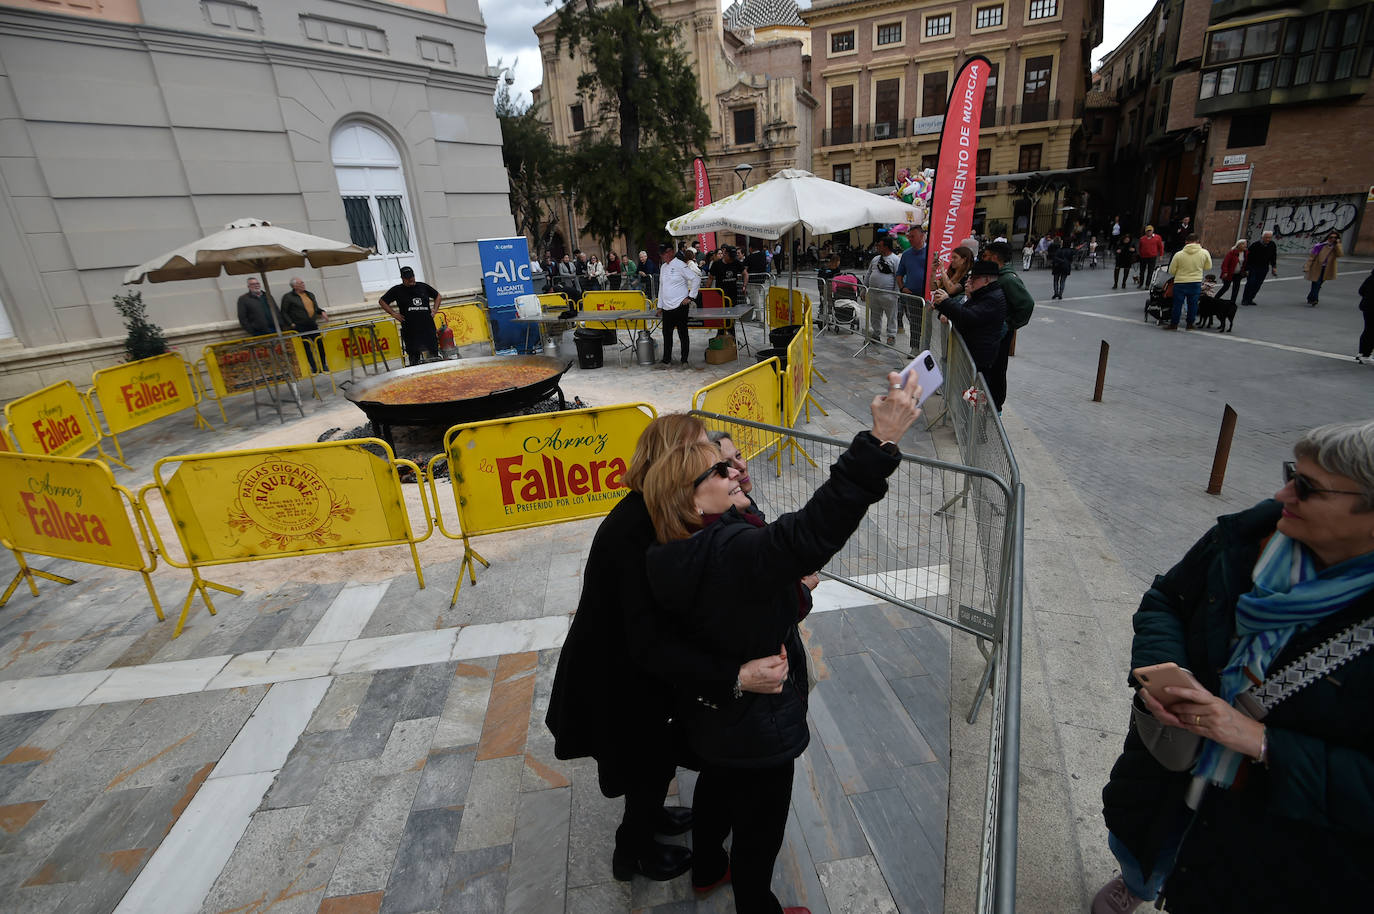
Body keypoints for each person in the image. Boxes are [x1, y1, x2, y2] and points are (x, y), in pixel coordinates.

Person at [643, 372, 921, 914]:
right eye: (719, 469)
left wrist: (741, 503)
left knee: (719, 785)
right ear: (692, 495)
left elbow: (752, 566)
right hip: (760, 721)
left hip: (717, 717)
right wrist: (879, 442)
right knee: (762, 826)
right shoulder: (730, 550)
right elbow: (808, 533)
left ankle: (706, 869)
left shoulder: (670, 546)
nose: (733, 470)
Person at [1093, 419, 1374, 914]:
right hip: (1172, 768)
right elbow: (1166, 600)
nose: (1282, 492)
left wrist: (1264, 745)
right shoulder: (1250, 535)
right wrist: (1164, 673)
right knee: (1147, 844)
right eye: (1292, 472)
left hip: (1273, 843)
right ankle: (1137, 883)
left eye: (1306, 488)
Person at [546, 414, 788, 885]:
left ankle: (652, 819)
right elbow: (646, 639)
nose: (715, 460)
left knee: (655, 762)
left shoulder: (656, 509)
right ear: (670, 461)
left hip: (640, 674)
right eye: (701, 452)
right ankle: (631, 852)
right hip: (620, 678)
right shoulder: (635, 528)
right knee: (646, 763)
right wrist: (731, 676)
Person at [929, 258, 1007, 380]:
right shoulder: (983, 294)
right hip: (969, 354)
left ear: (986, 280)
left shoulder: (992, 298)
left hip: (979, 357)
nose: (969, 280)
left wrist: (946, 302)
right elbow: (962, 311)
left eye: (974, 278)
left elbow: (968, 317)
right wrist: (942, 305)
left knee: (971, 390)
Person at [983, 241, 1034, 411]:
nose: (983, 259)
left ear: (995, 257)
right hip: (994, 334)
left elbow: (1026, 304)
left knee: (997, 370)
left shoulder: (1007, 279)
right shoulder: (998, 276)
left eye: (986, 256)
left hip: (1001, 336)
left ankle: (995, 407)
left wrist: (1008, 324)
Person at [379, 266, 442, 365]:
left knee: (433, 354)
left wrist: (434, 310)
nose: (411, 280)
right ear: (403, 278)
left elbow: (438, 296)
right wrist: (393, 313)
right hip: (410, 330)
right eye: (408, 278)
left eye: (412, 277)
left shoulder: (423, 286)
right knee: (414, 357)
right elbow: (382, 301)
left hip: (427, 327)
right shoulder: (397, 290)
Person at [657, 246, 700, 369]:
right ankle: (666, 360)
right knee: (666, 334)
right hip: (666, 306)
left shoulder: (681, 265)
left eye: (664, 253)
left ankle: (684, 360)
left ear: (670, 252)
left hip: (680, 305)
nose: (662, 256)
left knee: (683, 333)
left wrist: (691, 297)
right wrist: (660, 306)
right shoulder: (663, 267)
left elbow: (695, 278)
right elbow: (661, 287)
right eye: (661, 254)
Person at [1163, 234, 1213, 331]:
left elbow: (1171, 271)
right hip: (1195, 282)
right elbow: (1208, 267)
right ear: (1198, 241)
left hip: (1180, 282)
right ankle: (1190, 324)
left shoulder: (1179, 254)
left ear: (1186, 242)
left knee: (1177, 304)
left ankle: (1174, 324)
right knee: (1193, 304)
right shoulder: (1204, 253)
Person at [279, 276, 328, 373]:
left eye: (303, 283)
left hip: (312, 324)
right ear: (294, 286)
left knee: (319, 343)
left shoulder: (309, 294)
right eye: (300, 283)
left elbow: (315, 308)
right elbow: (284, 312)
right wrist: (291, 324)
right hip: (300, 325)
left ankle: (323, 364)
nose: (303, 284)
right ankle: (314, 367)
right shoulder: (288, 297)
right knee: (306, 346)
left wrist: (322, 312)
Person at [896, 226, 928, 356]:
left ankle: (926, 349)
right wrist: (902, 287)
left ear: (922, 236)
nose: (909, 239)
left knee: (928, 324)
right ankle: (914, 348)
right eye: (909, 236)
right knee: (914, 321)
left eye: (912, 236)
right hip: (912, 295)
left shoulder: (931, 252)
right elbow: (899, 274)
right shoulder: (906, 254)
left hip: (928, 295)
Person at [864, 237, 901, 345]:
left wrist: (896, 293)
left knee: (891, 316)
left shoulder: (895, 260)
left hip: (889, 294)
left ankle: (891, 336)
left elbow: (898, 276)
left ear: (886, 246)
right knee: (875, 315)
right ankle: (876, 334)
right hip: (874, 293)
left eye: (879, 245)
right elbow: (868, 273)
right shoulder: (875, 259)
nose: (877, 247)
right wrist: (864, 289)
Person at [1303, 231, 1343, 307]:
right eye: (1331, 237)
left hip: (1327, 268)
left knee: (1318, 284)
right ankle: (1315, 299)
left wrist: (1337, 245)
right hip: (1317, 267)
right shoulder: (1320, 246)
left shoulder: (1336, 247)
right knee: (1316, 283)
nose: (1333, 239)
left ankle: (1310, 297)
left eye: (1335, 237)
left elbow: (1340, 254)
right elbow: (1312, 257)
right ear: (1328, 237)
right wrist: (1307, 266)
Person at [1240, 230, 1278, 307]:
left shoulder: (1272, 245)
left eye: (1269, 238)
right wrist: (1246, 269)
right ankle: (1245, 299)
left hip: (1264, 268)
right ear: (1262, 237)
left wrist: (1274, 267)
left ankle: (1250, 299)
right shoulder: (1255, 245)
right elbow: (1248, 258)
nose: (1268, 239)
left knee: (1258, 284)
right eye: (1266, 237)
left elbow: (1273, 256)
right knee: (1251, 282)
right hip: (1253, 267)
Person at [1217, 239, 1247, 305]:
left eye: (1245, 244)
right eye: (1243, 244)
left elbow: (1246, 263)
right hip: (1229, 273)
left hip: (1238, 274)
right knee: (1226, 287)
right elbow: (1225, 263)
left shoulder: (1246, 253)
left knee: (1236, 288)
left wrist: (1246, 271)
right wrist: (1225, 272)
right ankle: (1216, 298)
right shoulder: (1232, 253)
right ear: (1238, 245)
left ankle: (1232, 302)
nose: (1245, 245)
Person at [1359, 268, 1374, 364]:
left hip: (1366, 307)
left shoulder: (1371, 278)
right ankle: (1366, 355)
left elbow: (1361, 291)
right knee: (1372, 332)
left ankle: (1361, 352)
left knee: (1367, 330)